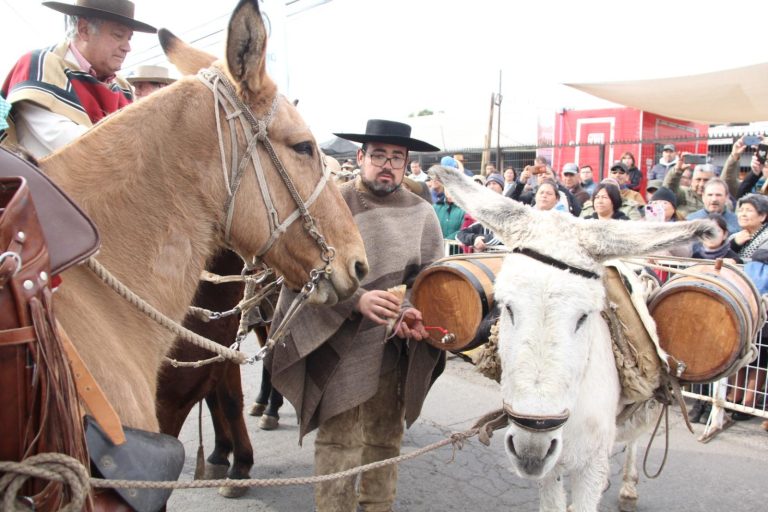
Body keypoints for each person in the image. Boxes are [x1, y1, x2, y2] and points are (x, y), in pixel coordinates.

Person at [267, 119, 444, 512]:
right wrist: (356, 300)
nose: (387, 164)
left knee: (385, 438)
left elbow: (431, 279)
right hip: (340, 344)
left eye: (396, 157)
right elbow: (302, 270)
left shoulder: (423, 215)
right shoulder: (334, 203)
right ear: (361, 157)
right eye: (378, 155)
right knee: (338, 442)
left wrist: (411, 310)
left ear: (406, 163)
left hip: (394, 350)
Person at [1, 0, 156, 158]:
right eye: (118, 35)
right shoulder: (40, 66)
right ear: (84, 30)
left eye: (129, 38)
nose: (127, 48)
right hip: (45, 180)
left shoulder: (124, 88)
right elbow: (64, 141)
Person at [727, 194, 768, 421]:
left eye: (749, 210)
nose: (743, 214)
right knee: (741, 348)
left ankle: (750, 399)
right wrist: (734, 245)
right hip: (740, 299)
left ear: (762, 216)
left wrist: (741, 256)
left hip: (762, 301)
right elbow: (723, 255)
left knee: (759, 353)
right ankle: (734, 394)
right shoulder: (737, 236)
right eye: (741, 210)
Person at [456, 175, 506, 252]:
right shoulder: (485, 214)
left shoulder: (508, 208)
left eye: (494, 183)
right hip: (484, 261)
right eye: (489, 184)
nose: (491, 186)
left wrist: (482, 240)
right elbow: (459, 235)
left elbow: (506, 236)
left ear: (502, 187)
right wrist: (474, 239)